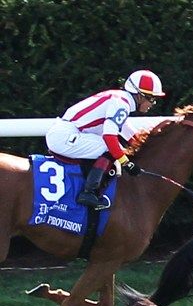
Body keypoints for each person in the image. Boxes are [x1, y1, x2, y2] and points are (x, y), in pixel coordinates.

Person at [45, 70, 166, 209]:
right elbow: (109, 137)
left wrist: (147, 150)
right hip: (64, 136)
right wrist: (126, 163)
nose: (152, 103)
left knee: (114, 149)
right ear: (139, 95)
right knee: (109, 148)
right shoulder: (122, 104)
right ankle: (89, 193)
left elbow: (129, 134)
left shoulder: (121, 100)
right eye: (151, 98)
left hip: (66, 134)